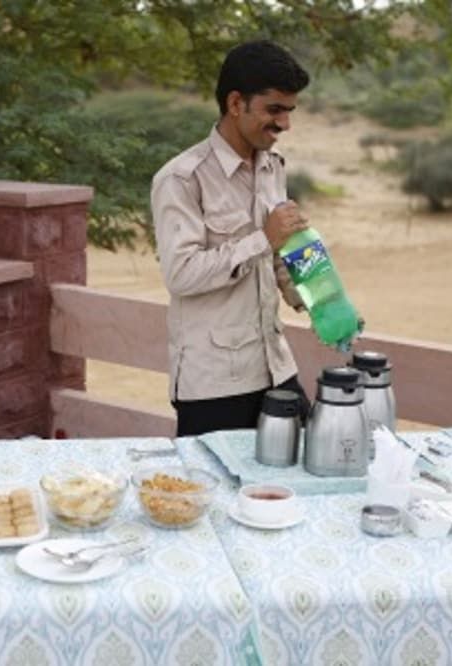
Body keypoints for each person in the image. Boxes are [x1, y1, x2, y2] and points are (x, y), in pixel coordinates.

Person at [151, 40, 314, 437]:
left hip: (275, 367)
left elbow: (280, 251)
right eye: (274, 110)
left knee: (306, 467)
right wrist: (263, 237)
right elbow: (182, 274)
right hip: (214, 385)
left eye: (289, 112)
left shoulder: (273, 166)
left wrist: (319, 300)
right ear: (236, 103)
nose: (285, 124)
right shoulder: (181, 179)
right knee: (216, 495)